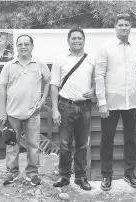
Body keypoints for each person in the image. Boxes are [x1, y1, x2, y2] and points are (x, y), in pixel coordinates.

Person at [95, 13, 136, 191]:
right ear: (115, 27)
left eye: (126, 25)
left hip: (132, 101)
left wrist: (133, 81)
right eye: (121, 25)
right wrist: (102, 101)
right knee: (107, 140)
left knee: (131, 139)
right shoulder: (106, 48)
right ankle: (106, 175)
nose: (124, 27)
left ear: (130, 27)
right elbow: (99, 74)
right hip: (110, 102)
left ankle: (129, 173)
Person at [0, 34, 51, 186]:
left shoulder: (39, 64)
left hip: (33, 112)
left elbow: (48, 81)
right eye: (20, 44)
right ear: (16, 47)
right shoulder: (9, 66)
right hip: (12, 113)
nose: (23, 47)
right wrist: (2, 111)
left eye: (26, 44)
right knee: (11, 144)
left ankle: (32, 173)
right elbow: (2, 88)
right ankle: (12, 172)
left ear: (32, 46)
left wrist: (42, 101)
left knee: (33, 145)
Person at [50, 28, 94, 191]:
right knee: (64, 144)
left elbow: (97, 80)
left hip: (84, 106)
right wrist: (54, 109)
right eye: (73, 38)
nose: (77, 41)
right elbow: (54, 85)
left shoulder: (91, 59)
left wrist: (94, 90)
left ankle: (81, 177)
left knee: (82, 144)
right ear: (68, 41)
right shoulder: (60, 60)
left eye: (80, 38)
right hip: (65, 106)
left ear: (84, 40)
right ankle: (64, 176)